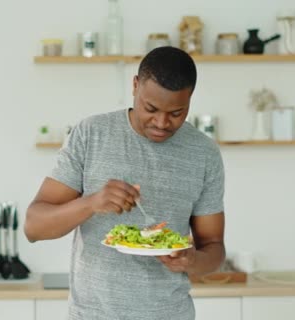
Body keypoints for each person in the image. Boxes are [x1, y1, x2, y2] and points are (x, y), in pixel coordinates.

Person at [24, 46, 225, 320]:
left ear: (190, 98)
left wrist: (193, 261)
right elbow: (34, 227)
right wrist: (92, 203)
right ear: (134, 86)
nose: (162, 122)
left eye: (177, 113)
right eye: (151, 108)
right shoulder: (90, 134)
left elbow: (214, 248)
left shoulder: (204, 153)